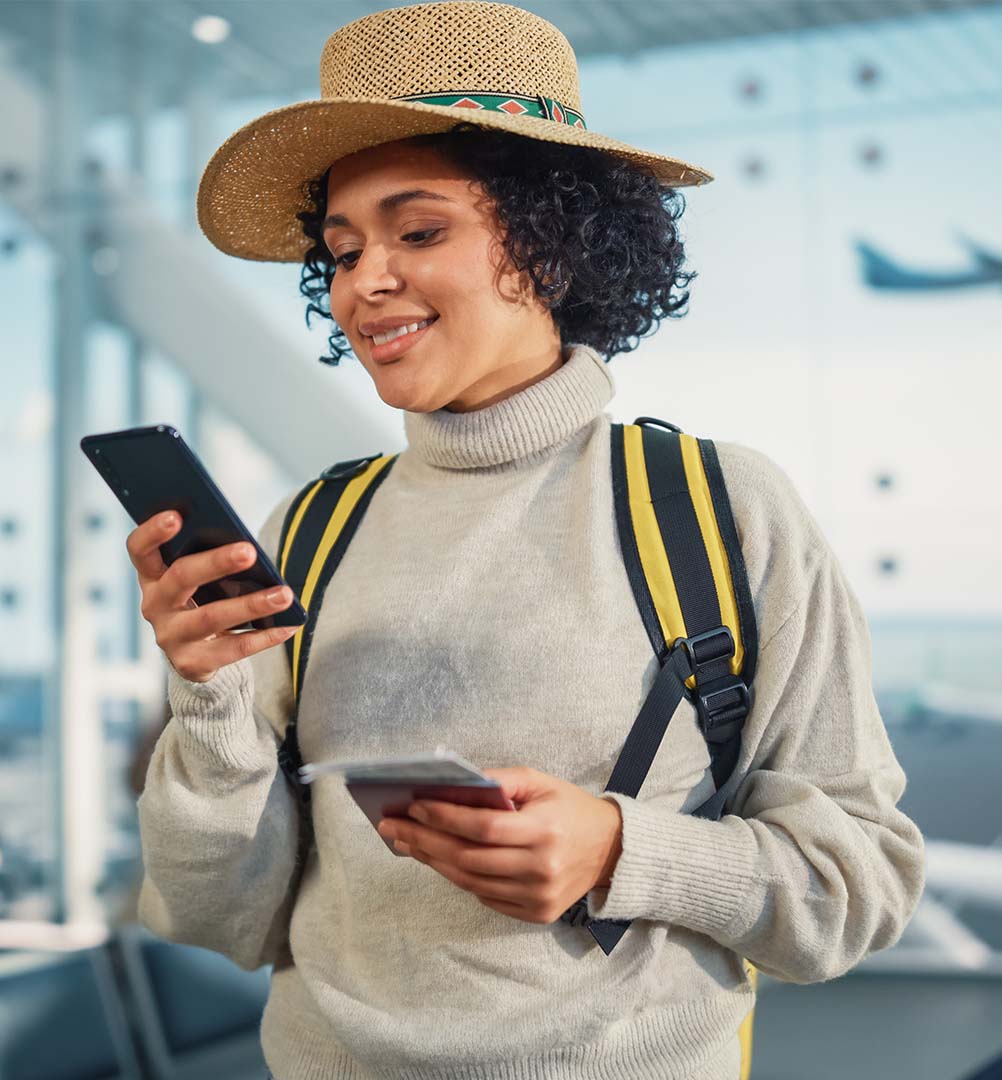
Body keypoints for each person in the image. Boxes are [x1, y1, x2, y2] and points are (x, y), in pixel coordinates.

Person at [129, 3, 926, 1078]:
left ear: (555, 244)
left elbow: (858, 888)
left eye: (419, 232)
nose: (364, 282)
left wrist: (620, 851)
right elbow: (220, 913)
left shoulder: (716, 507)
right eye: (343, 248)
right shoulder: (312, 528)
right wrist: (210, 692)